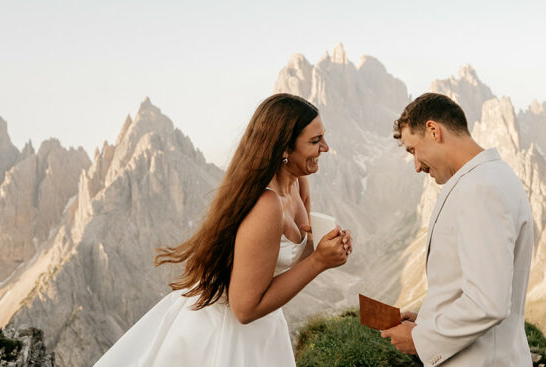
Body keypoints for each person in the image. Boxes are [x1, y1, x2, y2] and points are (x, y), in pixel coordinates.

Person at [95, 93, 353, 366]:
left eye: (323, 136)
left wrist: (326, 246)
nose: (326, 147)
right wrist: (318, 262)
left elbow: (287, 259)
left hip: (263, 330)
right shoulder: (266, 205)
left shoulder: (299, 184)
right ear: (284, 149)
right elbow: (244, 308)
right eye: (315, 141)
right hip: (223, 337)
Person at [381, 92, 535, 366]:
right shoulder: (489, 178)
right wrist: (428, 319)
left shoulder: (480, 188)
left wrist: (421, 340)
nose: (416, 166)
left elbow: (488, 303)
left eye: (413, 150)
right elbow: (473, 285)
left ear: (432, 131)